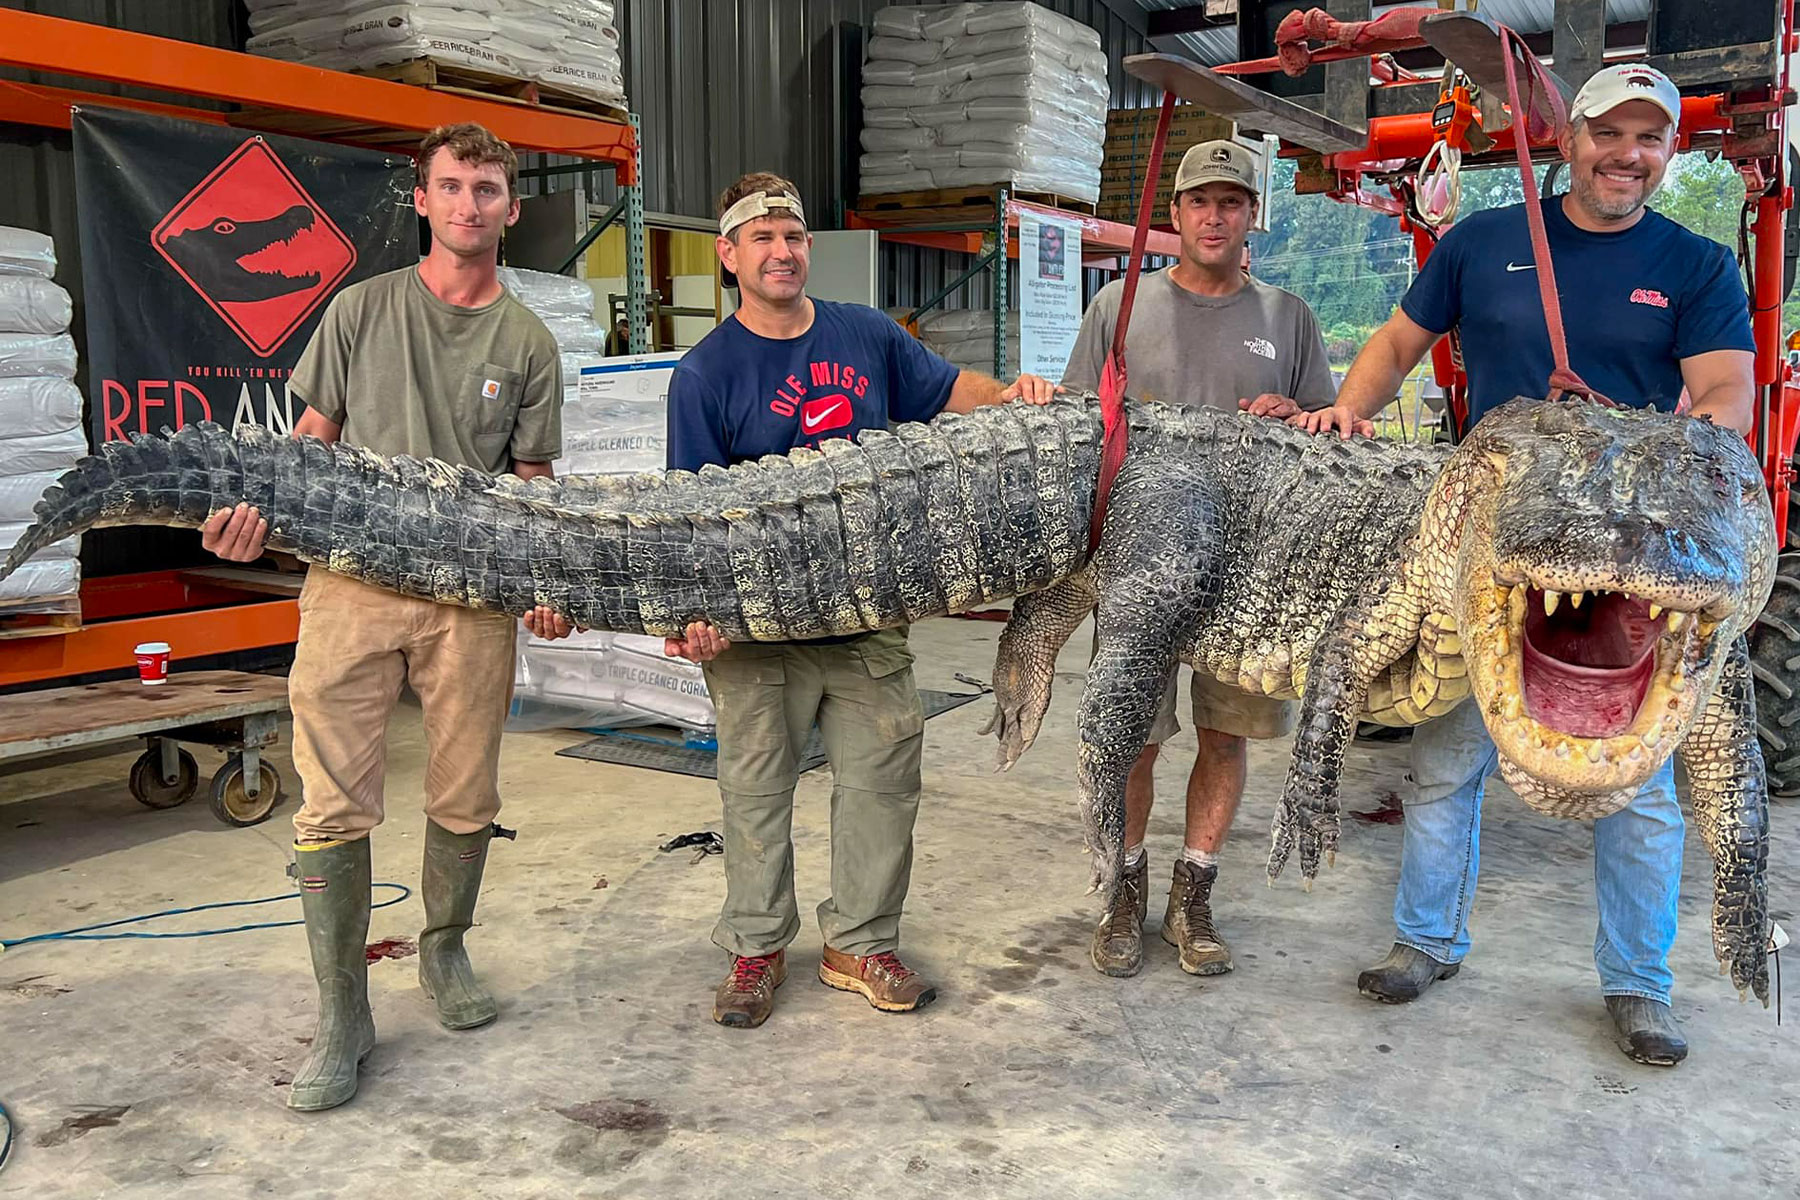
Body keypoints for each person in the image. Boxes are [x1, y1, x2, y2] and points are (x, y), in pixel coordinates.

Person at [1253, 64, 1755, 1066]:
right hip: (1499, 549)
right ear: (1571, 138)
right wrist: (1347, 408)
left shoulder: (1696, 265)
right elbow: (1398, 341)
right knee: (1446, 758)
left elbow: (1726, 397)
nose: (1628, 155)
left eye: (1650, 138)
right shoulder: (1482, 242)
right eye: (1610, 133)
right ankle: (1426, 940)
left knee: (1643, 788)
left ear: (1669, 151)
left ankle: (1639, 984)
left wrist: (1671, 448)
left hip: (1625, 554)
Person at [200, 123, 574, 1110]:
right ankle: (343, 1012)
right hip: (351, 590)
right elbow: (307, 451)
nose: (467, 204)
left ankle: (444, 951)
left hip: (470, 599)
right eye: (450, 186)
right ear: (422, 200)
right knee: (331, 801)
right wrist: (255, 523)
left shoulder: (528, 344)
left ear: (510, 208)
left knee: (466, 793)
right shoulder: (360, 311)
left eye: (485, 189)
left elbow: (532, 485)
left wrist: (546, 579)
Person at [665, 171, 1056, 1030]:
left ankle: (861, 941)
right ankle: (756, 949)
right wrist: (694, 618)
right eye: (761, 238)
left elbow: (950, 391)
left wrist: (1012, 394)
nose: (781, 251)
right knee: (755, 793)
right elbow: (691, 515)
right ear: (728, 255)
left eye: (792, 236)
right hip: (758, 631)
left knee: (883, 784)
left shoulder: (868, 334)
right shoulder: (704, 374)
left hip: (867, 618)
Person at [1061, 139, 1339, 982]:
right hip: (1140, 564)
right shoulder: (1120, 307)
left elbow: (1329, 438)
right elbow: (1076, 429)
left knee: (1227, 735)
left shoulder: (1288, 317)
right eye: (1199, 201)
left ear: (1253, 214)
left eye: (1232, 201)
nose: (1215, 217)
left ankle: (1194, 894)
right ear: (1175, 213)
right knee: (1133, 738)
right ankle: (1123, 891)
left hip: (1252, 573)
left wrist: (1296, 417)